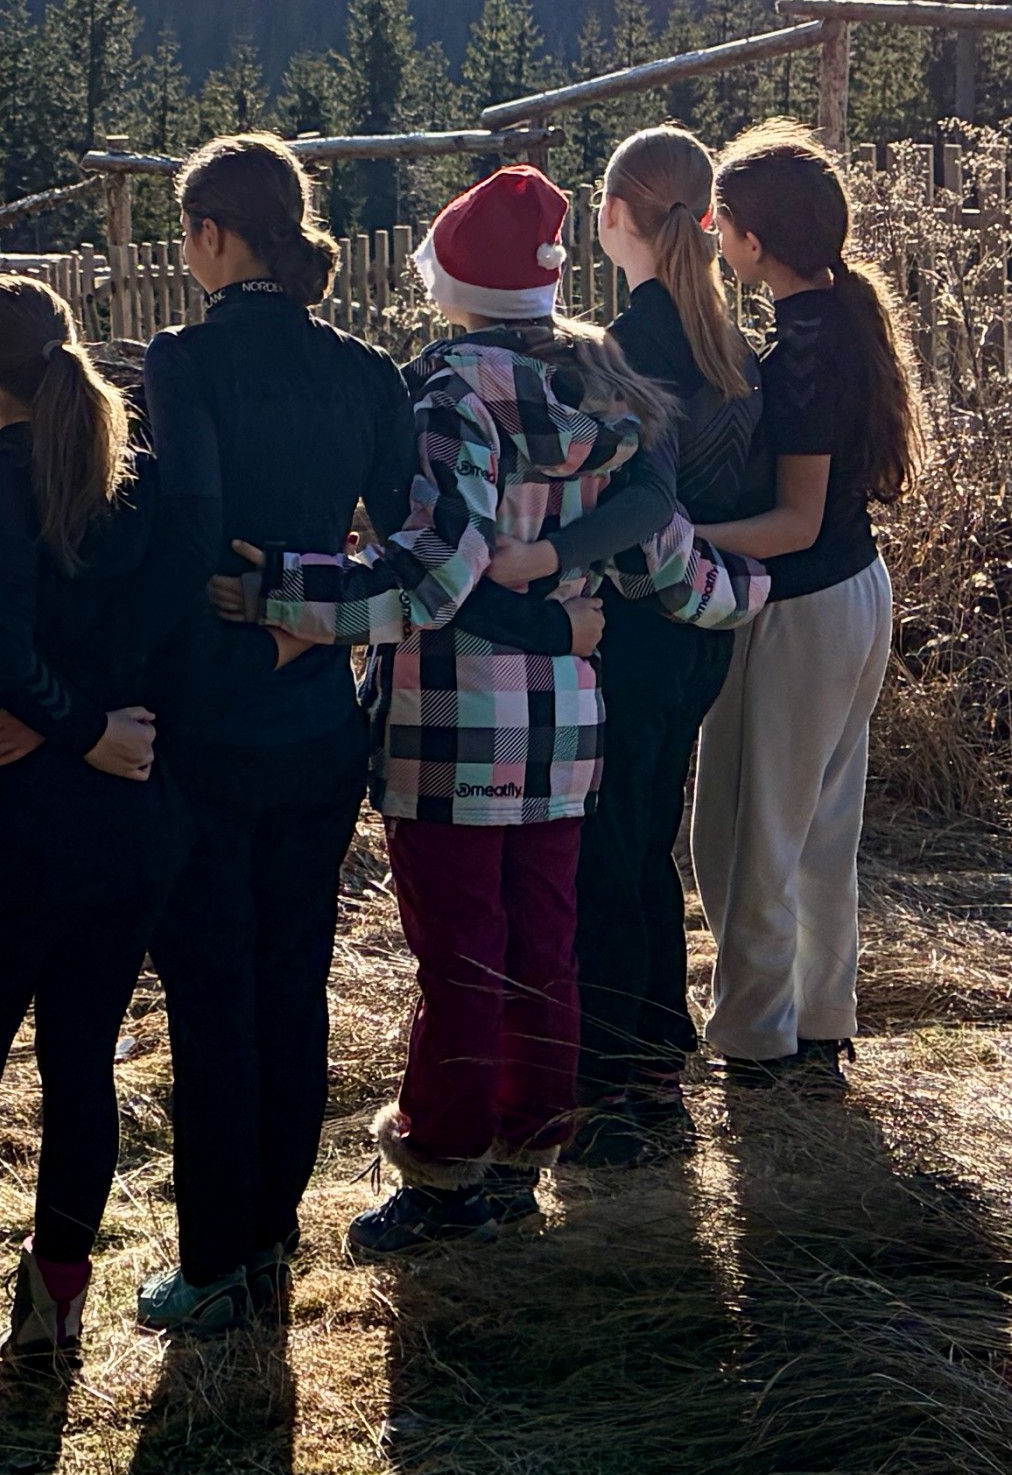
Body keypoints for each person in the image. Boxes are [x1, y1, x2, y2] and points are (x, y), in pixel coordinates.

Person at [255, 163, 765, 1256]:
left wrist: (282, 592)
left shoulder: (447, 396)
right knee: (545, 941)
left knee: (458, 955)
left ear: (448, 279)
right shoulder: (603, 389)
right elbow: (677, 565)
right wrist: (765, 585)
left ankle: (445, 1174)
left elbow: (432, 579)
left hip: (448, 725)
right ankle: (528, 1146)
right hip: (567, 725)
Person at [0, 275, 215, 1367]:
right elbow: (178, 638)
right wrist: (96, 728)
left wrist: (59, 724)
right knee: (81, 1064)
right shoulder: (143, 482)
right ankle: (56, 1300)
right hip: (121, 827)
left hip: (4, 834)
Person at [128, 136, 411, 1339]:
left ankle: (211, 1257)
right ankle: (276, 1228)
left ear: (207, 233)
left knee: (207, 986)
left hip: (207, 714)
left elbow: (187, 520)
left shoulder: (183, 362)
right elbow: (409, 555)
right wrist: (311, 602)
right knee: (293, 979)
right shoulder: (367, 372)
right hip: (314, 721)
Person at [476, 124, 758, 1159]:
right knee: (649, 840)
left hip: (625, 625)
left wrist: (546, 561)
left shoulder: (625, 345)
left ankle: (613, 1071)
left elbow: (621, 496)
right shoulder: (724, 332)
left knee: (606, 847)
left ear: (608, 216)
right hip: (702, 626)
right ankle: (654, 1052)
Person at [682, 126, 919, 1094]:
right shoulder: (837, 322)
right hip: (853, 593)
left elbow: (792, 519)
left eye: (721, 227)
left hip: (802, 603)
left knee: (747, 826)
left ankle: (754, 1033)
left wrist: (673, 531)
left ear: (746, 237)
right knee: (820, 824)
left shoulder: (805, 352)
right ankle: (819, 1013)